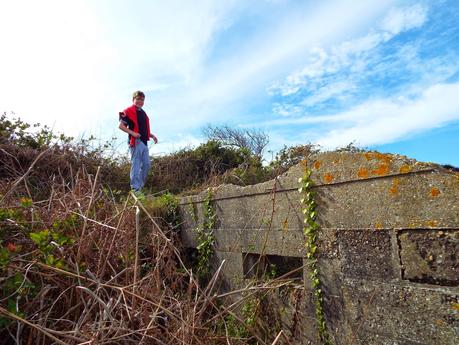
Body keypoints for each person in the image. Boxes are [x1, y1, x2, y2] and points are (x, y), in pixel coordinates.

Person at [119, 90, 158, 192]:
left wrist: (151, 135)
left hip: (144, 143)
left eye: (142, 99)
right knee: (136, 165)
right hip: (135, 142)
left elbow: (142, 129)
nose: (140, 101)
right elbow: (121, 126)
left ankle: (139, 187)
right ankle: (135, 189)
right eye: (138, 99)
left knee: (146, 165)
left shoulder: (143, 114)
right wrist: (133, 133)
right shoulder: (128, 111)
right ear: (133, 100)